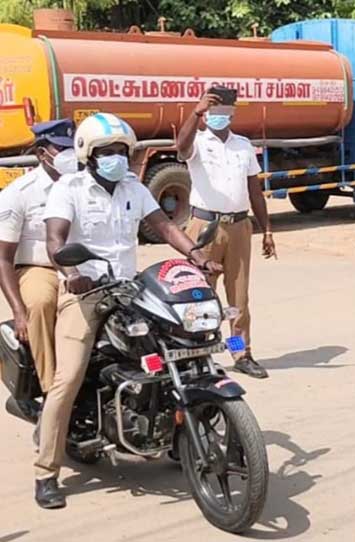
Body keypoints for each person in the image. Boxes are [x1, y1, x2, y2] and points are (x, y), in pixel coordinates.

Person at [34, 113, 221, 509]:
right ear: (89, 155)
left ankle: (176, 433)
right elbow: (55, 240)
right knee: (67, 379)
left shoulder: (135, 188)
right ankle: (47, 471)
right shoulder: (69, 188)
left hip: (129, 287)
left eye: (121, 151)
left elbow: (164, 226)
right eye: (107, 152)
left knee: (176, 349)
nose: (116, 157)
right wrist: (71, 273)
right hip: (85, 292)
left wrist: (196, 255)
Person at [176, 90, 276, 379]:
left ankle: (240, 351)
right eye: (212, 111)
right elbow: (181, 147)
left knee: (238, 300)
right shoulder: (197, 142)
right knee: (200, 295)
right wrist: (195, 113)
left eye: (223, 111)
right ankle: (199, 354)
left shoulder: (243, 146)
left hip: (239, 228)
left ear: (232, 113)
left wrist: (267, 228)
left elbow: (254, 191)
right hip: (205, 228)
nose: (217, 116)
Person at [0, 120, 76, 405]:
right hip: (38, 268)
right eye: (61, 149)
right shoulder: (18, 194)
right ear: (43, 152)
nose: (69, 155)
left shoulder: (83, 184)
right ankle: (52, 393)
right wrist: (18, 310)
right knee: (41, 304)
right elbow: (3, 257)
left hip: (82, 267)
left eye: (72, 148)